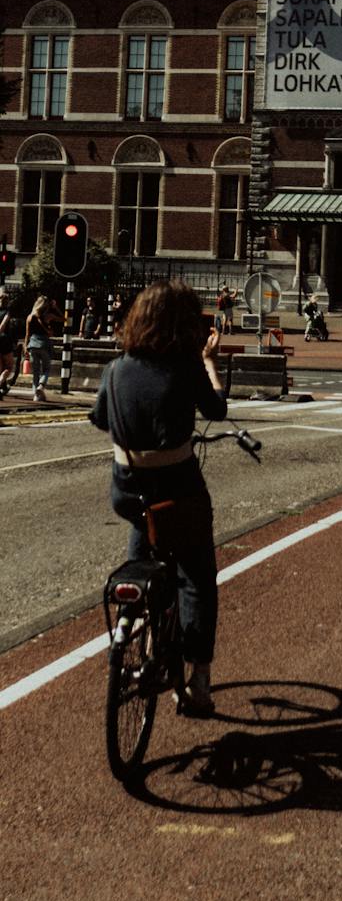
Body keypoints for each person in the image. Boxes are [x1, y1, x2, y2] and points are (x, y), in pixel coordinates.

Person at [88, 280, 227, 716]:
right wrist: (209, 364)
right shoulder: (186, 365)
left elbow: (98, 418)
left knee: (142, 538)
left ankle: (136, 614)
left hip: (128, 492)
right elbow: (217, 410)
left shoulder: (117, 368)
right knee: (197, 575)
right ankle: (198, 680)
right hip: (179, 490)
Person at [24, 295, 60, 405]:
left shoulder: (30, 317)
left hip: (33, 344)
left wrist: (26, 347)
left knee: (35, 371)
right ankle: (41, 385)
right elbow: (64, 319)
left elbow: (27, 334)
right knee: (46, 368)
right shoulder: (47, 316)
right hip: (44, 344)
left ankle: (36, 395)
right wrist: (56, 308)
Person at [0, 292, 22, 397]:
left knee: (0, 367)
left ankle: (3, 387)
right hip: (4, 340)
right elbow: (3, 325)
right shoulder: (7, 312)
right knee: (8, 366)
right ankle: (0, 384)